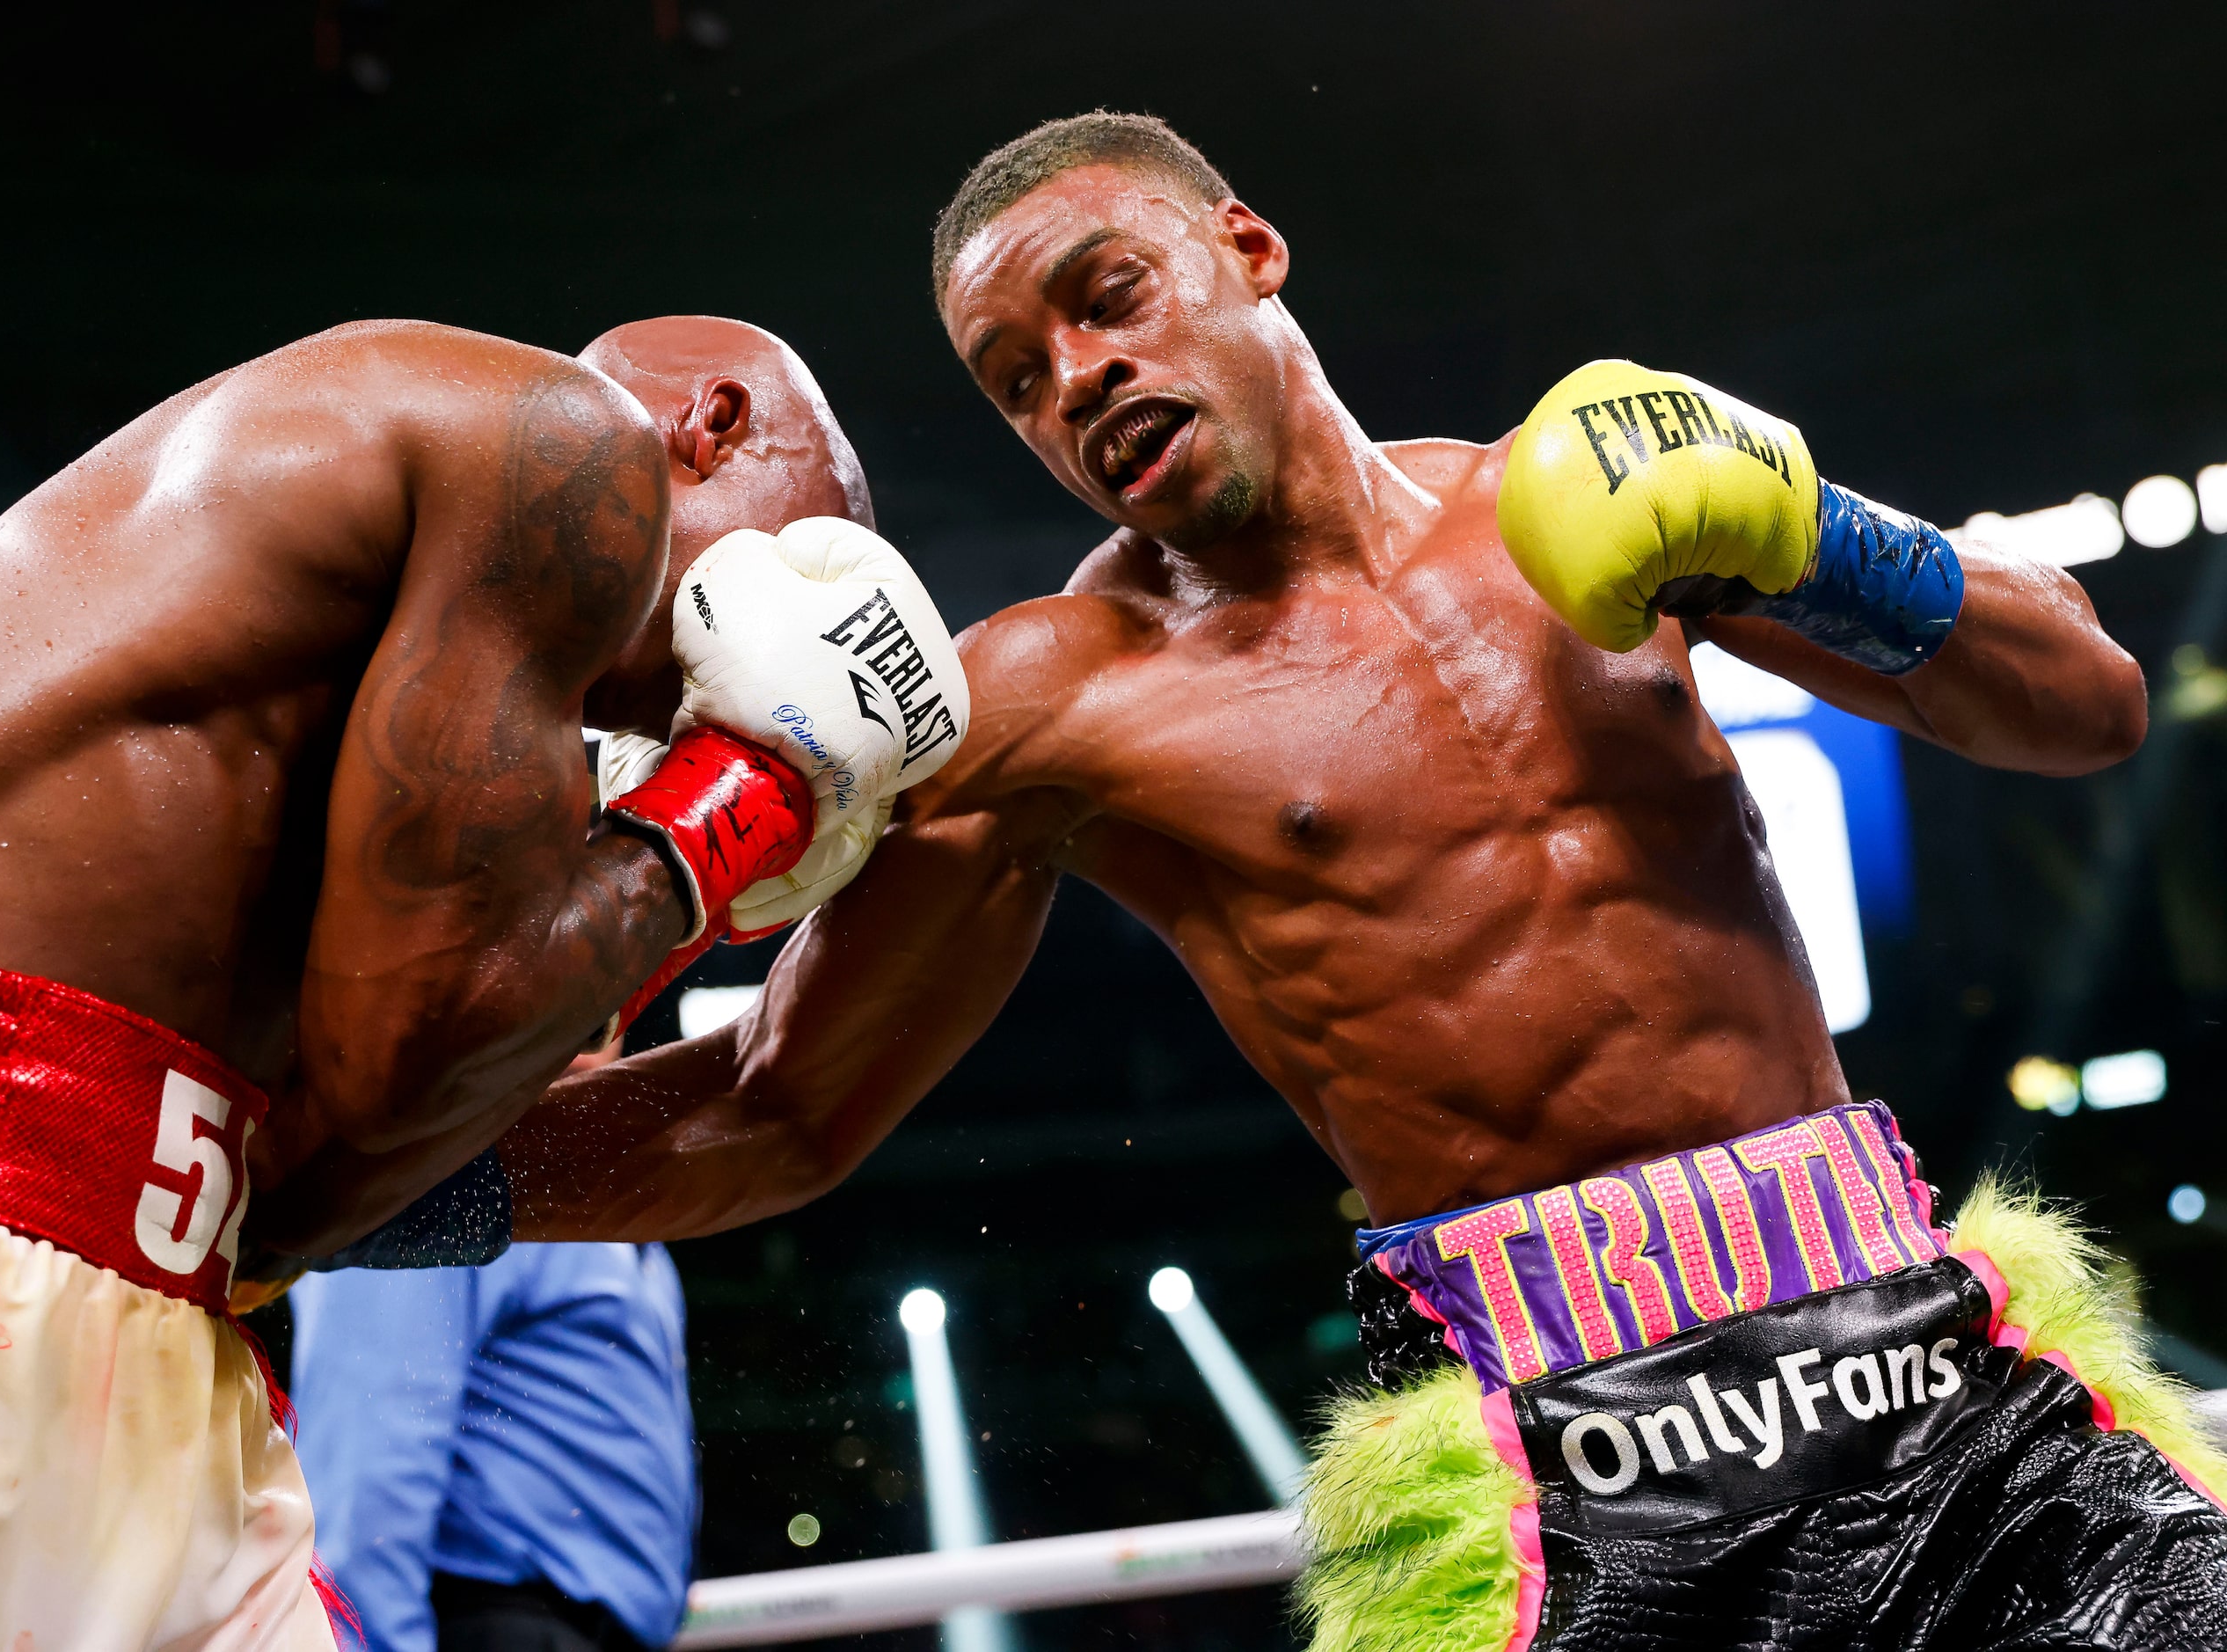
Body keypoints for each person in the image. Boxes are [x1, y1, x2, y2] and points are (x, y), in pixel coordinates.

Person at [495, 116, 2227, 1647]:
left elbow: (2082, 703)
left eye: (1107, 295)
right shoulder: (1043, 694)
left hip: (1938, 1382)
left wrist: (1812, 535)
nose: (1075, 377)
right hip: (1581, 1473)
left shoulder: (1586, 490)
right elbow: (774, 1111)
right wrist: (345, 1198)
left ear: (1247, 249)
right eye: (1015, 377)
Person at [0, 315, 962, 1649]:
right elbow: (407, 1067)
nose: (703, 687)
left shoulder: (419, 687)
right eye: (795, 557)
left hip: (169, 1311)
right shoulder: (564, 441)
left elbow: (322, 1193)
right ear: (711, 425)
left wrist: (678, 881)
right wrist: (751, 790)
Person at [290, 1237, 696, 1652]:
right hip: (499, 1618)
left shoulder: (629, 1233)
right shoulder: (430, 1197)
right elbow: (362, 1487)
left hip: (572, 1629)